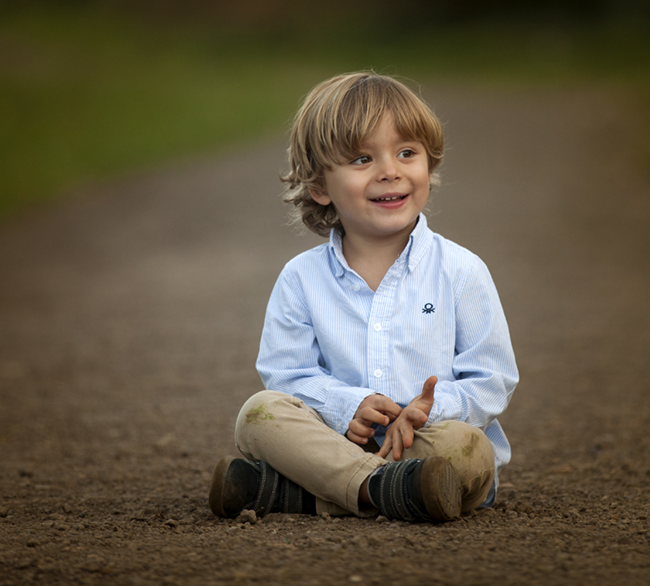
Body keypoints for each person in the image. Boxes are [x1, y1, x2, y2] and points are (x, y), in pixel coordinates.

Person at [208, 71, 518, 522]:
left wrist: (430, 410)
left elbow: (493, 378)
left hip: (427, 446)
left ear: (428, 165)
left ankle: (300, 494)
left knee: (468, 451)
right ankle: (383, 489)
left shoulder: (461, 270)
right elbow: (286, 374)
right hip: (337, 442)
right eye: (361, 159)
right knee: (259, 414)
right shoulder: (301, 279)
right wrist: (344, 405)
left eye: (407, 153)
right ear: (319, 186)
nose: (390, 170)